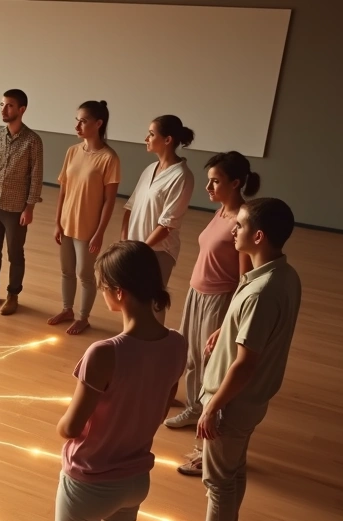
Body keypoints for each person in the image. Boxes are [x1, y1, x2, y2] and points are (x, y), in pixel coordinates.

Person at [37, 241, 186, 521]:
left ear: (118, 292)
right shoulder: (177, 343)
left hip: (87, 482)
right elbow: (162, 404)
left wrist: (60, 426)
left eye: (103, 287)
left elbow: (71, 427)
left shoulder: (104, 353)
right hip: (135, 478)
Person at [161, 197, 301, 521]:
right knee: (233, 471)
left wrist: (211, 408)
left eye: (238, 226)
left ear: (257, 235)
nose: (233, 230)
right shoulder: (280, 275)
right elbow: (257, 331)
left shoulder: (261, 291)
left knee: (217, 481)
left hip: (232, 403)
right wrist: (226, 329)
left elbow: (245, 363)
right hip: (251, 400)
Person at [164, 153, 258, 477]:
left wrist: (229, 320)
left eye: (215, 181)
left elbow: (245, 278)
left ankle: (205, 447)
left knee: (211, 369)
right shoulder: (221, 210)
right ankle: (193, 410)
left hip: (219, 300)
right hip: (196, 293)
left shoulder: (241, 220)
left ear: (235, 183)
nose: (208, 186)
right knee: (190, 358)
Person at [50, 101, 121, 335]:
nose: (77, 125)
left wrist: (99, 232)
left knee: (85, 274)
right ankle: (67, 309)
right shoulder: (72, 151)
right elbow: (63, 190)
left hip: (88, 227)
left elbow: (109, 200)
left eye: (83, 121)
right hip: (67, 223)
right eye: (77, 120)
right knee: (66, 270)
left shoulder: (109, 158)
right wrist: (57, 222)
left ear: (98, 123)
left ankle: (83, 317)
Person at [0, 88, 43, 315]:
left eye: (10, 105)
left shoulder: (33, 141)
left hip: (15, 209)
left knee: (15, 253)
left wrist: (29, 207)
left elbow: (36, 176)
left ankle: (13, 294)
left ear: (21, 110)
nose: (4, 109)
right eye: (2, 104)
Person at [121, 115, 196, 324]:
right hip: (136, 248)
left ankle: (155, 346)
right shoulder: (149, 169)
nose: (146, 138)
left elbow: (167, 224)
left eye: (152, 134)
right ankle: (132, 340)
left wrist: (142, 249)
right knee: (131, 298)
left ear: (168, 140)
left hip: (158, 251)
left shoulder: (182, 176)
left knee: (153, 301)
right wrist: (124, 243)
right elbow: (129, 208)